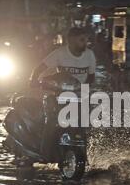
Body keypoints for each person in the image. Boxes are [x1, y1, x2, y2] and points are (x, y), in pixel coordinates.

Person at [28, 27, 96, 160]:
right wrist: (33, 80)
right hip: (60, 95)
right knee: (52, 122)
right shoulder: (59, 53)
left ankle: (84, 155)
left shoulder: (89, 55)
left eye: (86, 40)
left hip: (80, 96)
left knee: (85, 125)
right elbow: (39, 68)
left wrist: (83, 87)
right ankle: (45, 153)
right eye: (81, 40)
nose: (85, 43)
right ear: (70, 40)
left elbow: (91, 76)